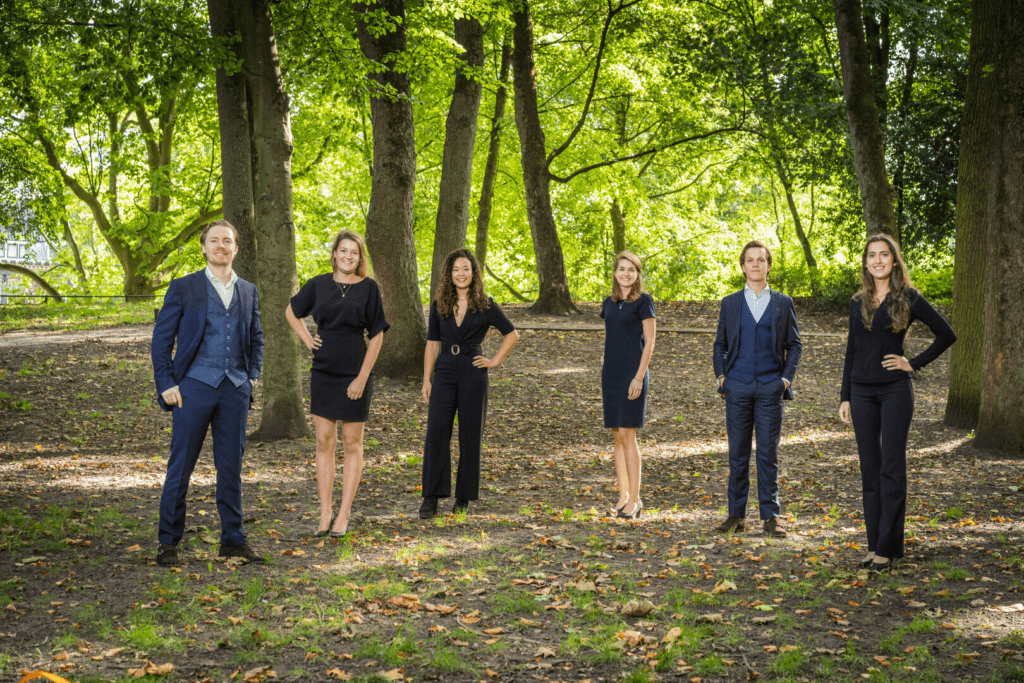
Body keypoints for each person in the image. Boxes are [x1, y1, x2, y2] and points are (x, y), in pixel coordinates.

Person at [151, 219, 264, 566]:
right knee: (181, 466)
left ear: (236, 248)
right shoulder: (184, 287)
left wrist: (252, 378)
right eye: (214, 240)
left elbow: (256, 337)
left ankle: (233, 540)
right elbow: (161, 339)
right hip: (193, 388)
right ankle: (168, 543)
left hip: (235, 390)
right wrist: (167, 383)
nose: (220, 246)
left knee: (230, 468)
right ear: (203, 247)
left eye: (227, 241)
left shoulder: (248, 290)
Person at [839, 234, 955, 571]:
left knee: (891, 468)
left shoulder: (909, 297)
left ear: (894, 260)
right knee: (869, 470)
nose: (877, 260)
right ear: (866, 262)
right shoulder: (857, 301)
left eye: (884, 255)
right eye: (871, 255)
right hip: (861, 392)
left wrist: (912, 363)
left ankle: (886, 549)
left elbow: (946, 334)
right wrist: (844, 395)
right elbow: (851, 350)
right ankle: (878, 545)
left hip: (895, 392)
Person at [285, 230, 389, 538]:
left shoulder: (369, 288)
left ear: (360, 257)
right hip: (323, 371)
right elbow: (291, 311)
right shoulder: (318, 284)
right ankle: (325, 512)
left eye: (354, 252)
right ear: (334, 254)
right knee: (324, 442)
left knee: (352, 444)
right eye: (343, 250)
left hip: (355, 371)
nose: (348, 256)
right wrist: (307, 340)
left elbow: (377, 335)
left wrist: (362, 378)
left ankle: (344, 513)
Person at [420, 249, 519, 519]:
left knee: (470, 434)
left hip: (473, 371)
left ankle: (463, 497)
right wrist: (426, 379)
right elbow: (432, 343)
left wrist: (494, 361)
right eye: (456, 269)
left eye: (466, 269)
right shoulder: (440, 304)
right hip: (444, 371)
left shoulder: (485, 305)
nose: (461, 274)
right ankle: (431, 497)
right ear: (449, 274)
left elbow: (512, 334)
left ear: (474, 273)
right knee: (436, 430)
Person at [713, 240, 802, 537]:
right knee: (737, 454)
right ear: (742, 266)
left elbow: (794, 345)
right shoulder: (730, 303)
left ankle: (771, 516)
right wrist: (722, 378)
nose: (755, 264)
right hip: (736, 387)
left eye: (760, 260)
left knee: (767, 455)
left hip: (770, 388)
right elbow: (720, 344)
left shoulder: (782, 303)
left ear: (768, 265)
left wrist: (784, 380)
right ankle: (736, 515)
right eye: (749, 260)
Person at [601, 251, 656, 520]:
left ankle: (635, 499)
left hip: (633, 374)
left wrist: (638, 377)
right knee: (617, 435)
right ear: (615, 273)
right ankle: (622, 496)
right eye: (622, 269)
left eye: (631, 269)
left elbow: (650, 342)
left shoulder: (644, 301)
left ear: (637, 274)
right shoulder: (608, 303)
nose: (626, 273)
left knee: (628, 434)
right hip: (610, 375)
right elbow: (611, 337)